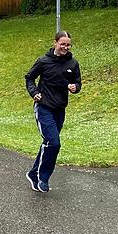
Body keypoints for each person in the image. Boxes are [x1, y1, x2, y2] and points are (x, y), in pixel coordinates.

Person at [24, 30, 82, 193]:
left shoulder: (73, 64)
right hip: (43, 107)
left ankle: (33, 173)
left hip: (60, 108)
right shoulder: (44, 61)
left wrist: (75, 87)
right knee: (53, 143)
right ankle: (43, 177)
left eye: (68, 45)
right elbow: (29, 78)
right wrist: (34, 92)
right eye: (62, 44)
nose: (65, 47)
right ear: (55, 43)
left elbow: (77, 82)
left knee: (49, 144)